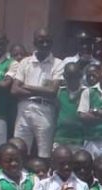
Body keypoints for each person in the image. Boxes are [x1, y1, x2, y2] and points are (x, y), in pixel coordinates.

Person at [11, 28, 64, 159]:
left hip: (45, 109)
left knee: (44, 152)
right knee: (19, 149)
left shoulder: (58, 63)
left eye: (48, 41)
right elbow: (14, 89)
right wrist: (40, 90)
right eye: (41, 41)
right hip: (24, 109)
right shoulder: (25, 62)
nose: (45, 44)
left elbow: (52, 91)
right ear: (34, 42)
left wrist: (26, 86)